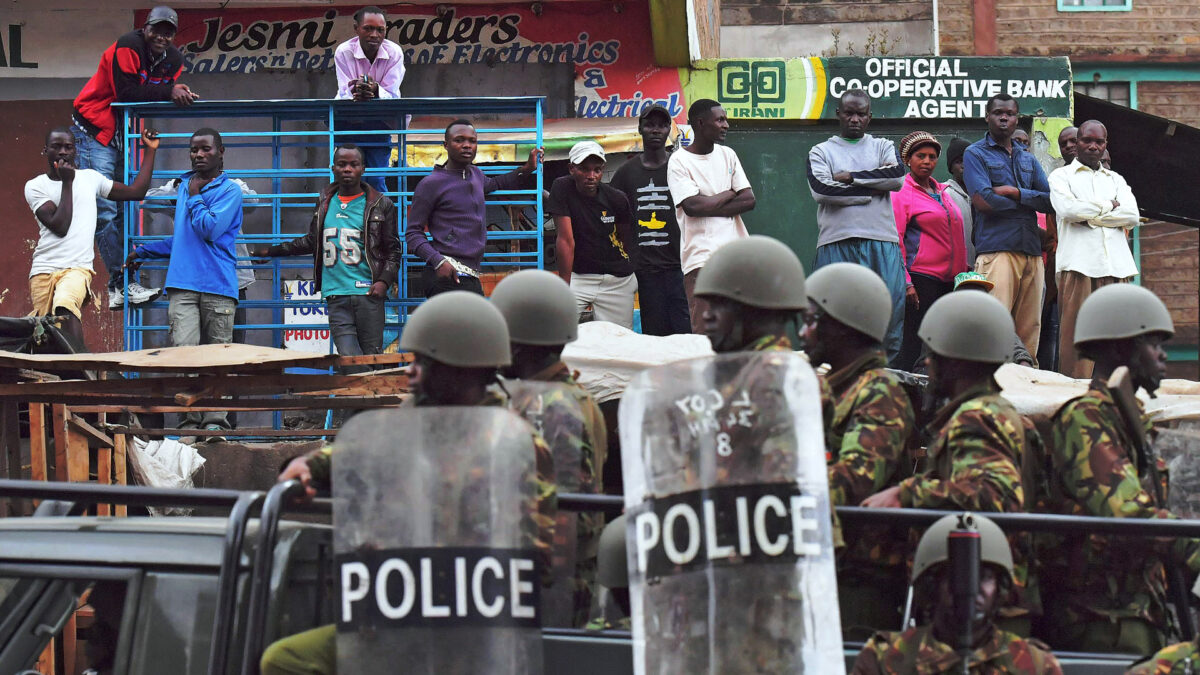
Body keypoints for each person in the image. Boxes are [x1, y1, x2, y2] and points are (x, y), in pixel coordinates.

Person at [261, 291, 556, 675]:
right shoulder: (414, 422)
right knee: (284, 662)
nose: (409, 372)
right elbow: (361, 451)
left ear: (460, 367)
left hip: (472, 627)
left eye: (423, 362)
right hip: (397, 610)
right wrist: (308, 465)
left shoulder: (515, 446)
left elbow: (536, 562)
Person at [1039, 284, 1200, 654]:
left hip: (1134, 611)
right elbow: (1128, 511)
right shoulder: (1085, 420)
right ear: (1118, 347)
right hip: (1097, 620)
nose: (1163, 356)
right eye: (1153, 344)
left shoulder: (1127, 420)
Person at [802, 262, 916, 639]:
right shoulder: (838, 388)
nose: (804, 333)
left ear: (843, 324)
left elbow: (855, 480)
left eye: (813, 320)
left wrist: (769, 492)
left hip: (859, 577)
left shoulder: (878, 392)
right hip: (827, 562)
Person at [491, 269, 608, 627]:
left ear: (517, 343)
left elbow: (564, 517)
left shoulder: (556, 409)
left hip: (554, 585)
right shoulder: (548, 396)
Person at [73, 5, 195, 310]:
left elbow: (147, 99)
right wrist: (169, 91)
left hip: (121, 132)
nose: (162, 37)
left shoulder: (175, 60)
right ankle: (121, 283)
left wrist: (174, 92)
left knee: (125, 209)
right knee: (104, 209)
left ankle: (121, 287)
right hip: (94, 126)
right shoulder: (128, 45)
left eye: (169, 32)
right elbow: (127, 93)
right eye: (157, 30)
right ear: (146, 28)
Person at [862, 291, 1026, 515]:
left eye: (936, 354)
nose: (927, 361)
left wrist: (907, 494)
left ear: (956, 362)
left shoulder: (977, 417)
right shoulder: (1000, 411)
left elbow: (994, 495)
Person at [125, 128, 242, 439]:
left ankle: (215, 424)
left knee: (217, 359)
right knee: (184, 357)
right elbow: (183, 238)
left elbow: (209, 229)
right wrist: (143, 250)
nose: (199, 155)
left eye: (205, 149)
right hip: (182, 286)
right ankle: (188, 425)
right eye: (194, 150)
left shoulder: (229, 191)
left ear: (221, 151)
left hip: (218, 286)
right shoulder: (184, 189)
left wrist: (194, 194)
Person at [852, 513, 1063, 674]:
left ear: (1001, 589)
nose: (970, 588)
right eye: (954, 574)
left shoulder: (1033, 663)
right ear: (931, 586)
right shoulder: (886, 657)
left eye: (984, 577)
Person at [252, 145, 399, 374]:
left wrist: (383, 282)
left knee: (373, 361)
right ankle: (361, 406)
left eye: (353, 164)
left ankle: (367, 408)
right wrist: (272, 251)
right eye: (342, 164)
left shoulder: (381, 204)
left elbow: (392, 250)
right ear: (333, 168)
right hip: (336, 295)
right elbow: (312, 241)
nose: (347, 169)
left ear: (363, 168)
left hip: (368, 295)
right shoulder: (324, 202)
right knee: (350, 362)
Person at [25, 127, 161, 352]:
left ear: (75, 151)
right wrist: (67, 183)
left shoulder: (90, 179)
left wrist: (151, 150)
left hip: (77, 269)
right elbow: (60, 225)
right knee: (45, 331)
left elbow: (136, 191)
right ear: (45, 150)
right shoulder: (35, 186)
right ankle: (57, 378)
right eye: (56, 147)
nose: (62, 152)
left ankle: (81, 366)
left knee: (65, 307)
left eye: (68, 147)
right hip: (43, 269)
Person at [806, 89, 907, 365]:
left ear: (869, 117)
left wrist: (851, 177)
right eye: (848, 113)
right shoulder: (821, 151)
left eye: (860, 114)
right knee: (832, 312)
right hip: (836, 242)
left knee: (889, 310)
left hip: (881, 241)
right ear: (838, 114)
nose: (854, 119)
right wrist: (871, 191)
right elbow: (822, 190)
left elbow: (897, 177)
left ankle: (880, 374)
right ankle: (836, 377)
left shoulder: (883, 146)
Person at [963, 94, 1053, 364]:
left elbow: (1049, 200)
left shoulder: (1027, 158)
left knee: (1029, 333)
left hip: (1031, 251)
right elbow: (984, 201)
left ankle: (1026, 391)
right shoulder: (975, 153)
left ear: (1017, 118)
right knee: (994, 326)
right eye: (998, 113)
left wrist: (1015, 193)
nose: (1005, 118)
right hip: (997, 250)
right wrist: (1028, 200)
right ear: (987, 117)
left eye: (1010, 114)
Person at [405, 119, 541, 297]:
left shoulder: (475, 174)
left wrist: (528, 168)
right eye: (459, 140)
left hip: (472, 276)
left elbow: (496, 183)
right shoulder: (431, 184)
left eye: (472, 141)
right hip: (445, 277)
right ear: (446, 145)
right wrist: (438, 261)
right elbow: (412, 233)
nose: (467, 145)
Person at [1049, 120, 1140, 379]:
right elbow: (1068, 210)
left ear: (1105, 145)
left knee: (1119, 342)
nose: (1092, 146)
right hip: (1079, 267)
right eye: (1087, 140)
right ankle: (1077, 405)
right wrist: (1109, 206)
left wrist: (1090, 214)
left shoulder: (1116, 179)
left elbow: (1132, 215)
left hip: (1117, 267)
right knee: (1078, 344)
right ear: (1076, 143)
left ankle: (1117, 404)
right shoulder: (1060, 177)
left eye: (1098, 142)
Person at [667, 98, 755, 334]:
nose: (726, 125)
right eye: (720, 120)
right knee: (706, 335)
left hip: (735, 258)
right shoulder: (679, 161)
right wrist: (728, 192)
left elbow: (749, 199)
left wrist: (709, 202)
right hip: (700, 260)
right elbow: (693, 206)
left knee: (739, 332)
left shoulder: (728, 155)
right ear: (700, 123)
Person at [609, 104, 690, 335]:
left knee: (685, 332)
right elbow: (613, 214)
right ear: (640, 129)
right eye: (650, 125)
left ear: (669, 130)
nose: (656, 130)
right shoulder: (625, 173)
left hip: (680, 267)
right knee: (654, 335)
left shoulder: (681, 166)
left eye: (662, 125)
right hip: (645, 271)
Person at [892, 131, 968, 372]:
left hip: (950, 282)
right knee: (916, 343)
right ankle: (908, 396)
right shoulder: (901, 192)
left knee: (945, 344)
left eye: (932, 157)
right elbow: (896, 240)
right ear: (908, 159)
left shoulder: (943, 192)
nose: (927, 161)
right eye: (920, 156)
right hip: (921, 281)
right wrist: (906, 283)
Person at [550, 141, 636, 328]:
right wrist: (564, 288)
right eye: (584, 169)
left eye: (597, 170)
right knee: (555, 332)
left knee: (619, 341)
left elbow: (626, 238)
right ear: (571, 168)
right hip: (578, 277)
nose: (591, 176)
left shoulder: (616, 198)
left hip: (616, 280)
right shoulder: (562, 187)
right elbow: (566, 241)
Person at [333, 5, 406, 194]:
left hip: (379, 122)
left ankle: (380, 221)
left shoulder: (395, 53)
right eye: (368, 28)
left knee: (375, 178)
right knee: (346, 179)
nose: (374, 34)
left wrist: (375, 90)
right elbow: (345, 91)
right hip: (349, 121)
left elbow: (391, 94)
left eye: (380, 30)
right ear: (356, 29)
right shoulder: (343, 51)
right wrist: (360, 90)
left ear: (386, 30)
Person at [944, 137, 976, 267]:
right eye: (958, 162)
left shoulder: (983, 193)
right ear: (951, 168)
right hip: (955, 271)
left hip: (982, 268)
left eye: (969, 161)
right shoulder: (945, 194)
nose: (964, 165)